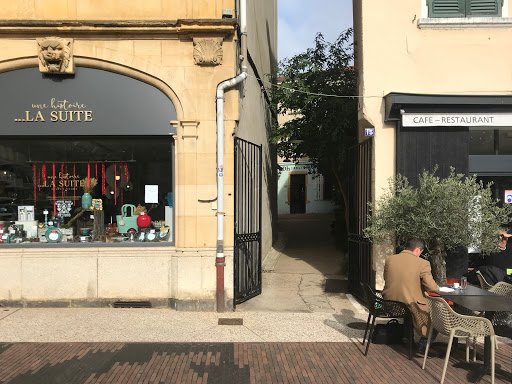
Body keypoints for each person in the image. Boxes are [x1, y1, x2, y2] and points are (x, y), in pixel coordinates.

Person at [382, 238, 439, 353]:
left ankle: (408, 337)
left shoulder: (390, 259)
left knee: (408, 300)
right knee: (438, 317)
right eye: (421, 252)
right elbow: (432, 287)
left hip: (389, 304)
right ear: (418, 249)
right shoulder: (423, 263)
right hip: (409, 307)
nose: (420, 255)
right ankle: (423, 347)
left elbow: (386, 278)